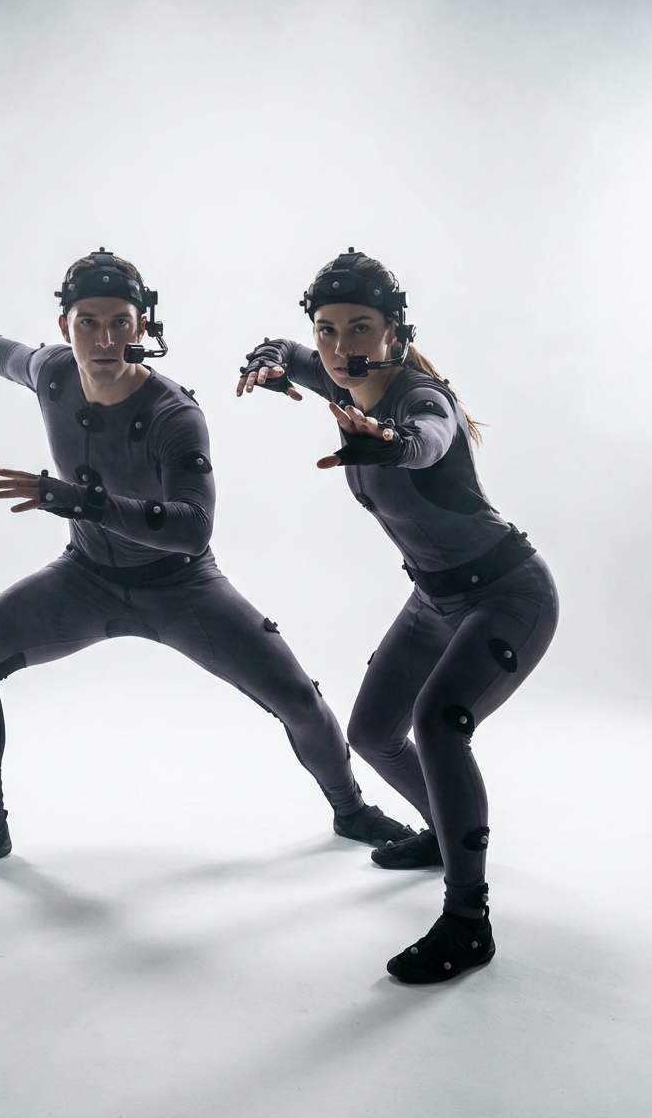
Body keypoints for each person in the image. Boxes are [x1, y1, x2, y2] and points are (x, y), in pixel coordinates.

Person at [0, 248, 414, 881]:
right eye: (87, 322)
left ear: (143, 327)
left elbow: (193, 529)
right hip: (85, 578)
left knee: (300, 701)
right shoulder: (51, 371)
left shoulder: (174, 414)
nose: (104, 339)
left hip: (182, 588)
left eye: (120, 322)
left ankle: (351, 810)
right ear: (64, 327)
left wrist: (79, 500)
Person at [236, 248, 559, 983]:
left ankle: (468, 922)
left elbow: (429, 438)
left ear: (395, 332)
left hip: (509, 594)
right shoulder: (339, 375)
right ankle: (447, 834)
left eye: (359, 328)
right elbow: (283, 347)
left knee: (439, 724)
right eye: (326, 329)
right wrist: (268, 359)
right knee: (372, 733)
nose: (338, 346)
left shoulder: (422, 399)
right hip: (435, 597)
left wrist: (393, 445)